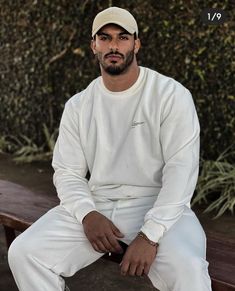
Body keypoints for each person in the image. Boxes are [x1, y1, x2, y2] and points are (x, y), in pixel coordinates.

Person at [8, 6, 212, 291]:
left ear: (136, 43)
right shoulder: (79, 105)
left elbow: (182, 171)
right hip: (99, 204)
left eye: (123, 37)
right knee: (25, 252)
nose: (113, 45)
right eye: (104, 38)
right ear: (94, 45)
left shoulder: (170, 95)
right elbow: (67, 172)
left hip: (159, 206)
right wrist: (87, 214)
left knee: (189, 270)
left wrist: (150, 236)